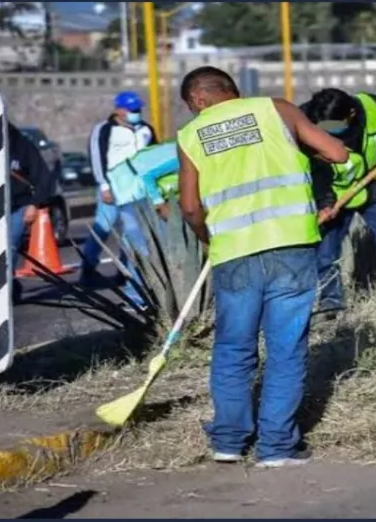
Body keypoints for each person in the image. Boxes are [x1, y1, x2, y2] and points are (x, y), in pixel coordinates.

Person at [176, 66, 348, 467]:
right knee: (286, 349)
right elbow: (337, 153)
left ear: (199, 99)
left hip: (234, 253)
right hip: (291, 245)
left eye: (191, 106)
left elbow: (189, 207)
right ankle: (276, 448)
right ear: (232, 91)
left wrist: (209, 238)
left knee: (234, 347)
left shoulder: (191, 134)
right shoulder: (277, 109)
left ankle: (229, 443)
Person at [300, 88, 376, 312]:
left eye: (331, 127)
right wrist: (325, 202)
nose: (327, 132)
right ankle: (330, 304)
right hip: (334, 192)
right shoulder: (302, 121)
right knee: (326, 252)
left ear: (351, 114)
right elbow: (312, 169)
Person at [80, 91, 157, 310]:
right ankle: (88, 268)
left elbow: (154, 154)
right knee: (103, 229)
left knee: (133, 235)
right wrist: (103, 185)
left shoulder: (146, 130)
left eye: (138, 110)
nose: (136, 113)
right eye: (132, 110)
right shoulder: (104, 129)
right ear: (119, 109)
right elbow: (97, 157)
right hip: (113, 187)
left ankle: (126, 277)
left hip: (138, 190)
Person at [7, 122, 56, 304]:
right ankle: (10, 286)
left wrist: (34, 204)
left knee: (9, 248)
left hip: (18, 206)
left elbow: (43, 176)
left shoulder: (22, 145)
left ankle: (7, 291)